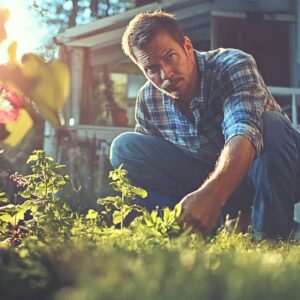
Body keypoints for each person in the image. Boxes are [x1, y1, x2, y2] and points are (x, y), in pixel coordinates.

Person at [110, 10, 300, 240]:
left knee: (271, 123)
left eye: (170, 56)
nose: (166, 73)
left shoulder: (232, 65)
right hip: (213, 180)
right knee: (125, 147)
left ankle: (271, 237)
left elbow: (244, 131)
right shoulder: (149, 100)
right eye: (151, 68)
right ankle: (182, 231)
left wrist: (212, 197)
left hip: (277, 172)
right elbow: (154, 170)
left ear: (187, 46)